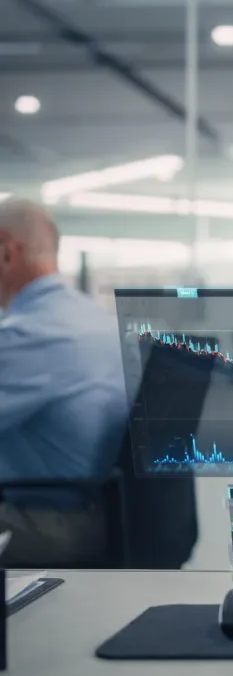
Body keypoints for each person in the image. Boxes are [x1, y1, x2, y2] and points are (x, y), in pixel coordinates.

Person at [0, 198, 127, 567]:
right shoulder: (99, 321)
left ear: (7, 252)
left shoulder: (29, 334)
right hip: (105, 514)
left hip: (53, 527)